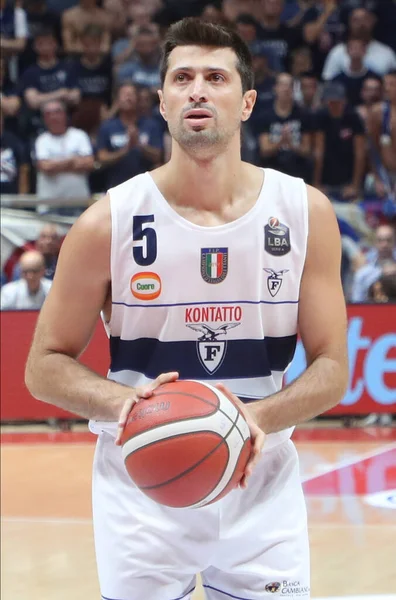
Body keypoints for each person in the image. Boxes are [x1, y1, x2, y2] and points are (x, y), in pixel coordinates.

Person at [25, 18, 348, 600]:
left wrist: (254, 419)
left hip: (261, 481)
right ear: (163, 100)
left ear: (247, 102)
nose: (198, 89)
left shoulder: (304, 212)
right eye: (183, 78)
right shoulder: (108, 221)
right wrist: (128, 404)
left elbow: (332, 367)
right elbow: (43, 365)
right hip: (141, 486)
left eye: (216, 77)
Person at [34, 99, 94, 202]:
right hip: (50, 203)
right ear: (44, 118)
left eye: (57, 112)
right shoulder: (41, 140)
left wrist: (55, 165)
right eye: (49, 114)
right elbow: (45, 167)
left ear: (65, 114)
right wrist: (72, 161)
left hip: (78, 202)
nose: (53, 116)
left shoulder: (79, 136)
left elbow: (89, 163)